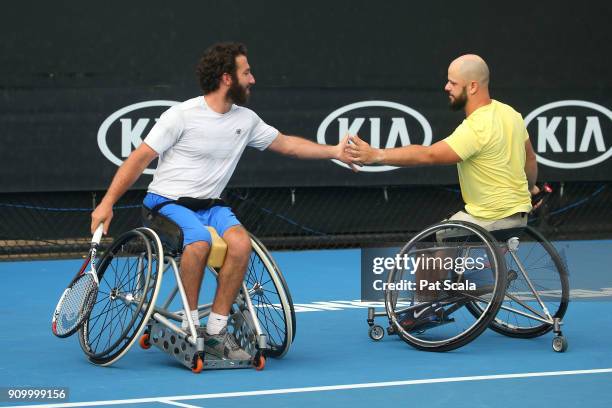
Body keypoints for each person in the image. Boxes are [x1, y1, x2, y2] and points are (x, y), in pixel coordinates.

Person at [91, 42, 351, 360]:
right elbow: (139, 158)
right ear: (227, 79)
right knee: (198, 242)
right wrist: (107, 203)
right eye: (247, 72)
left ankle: (215, 329)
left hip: (211, 206)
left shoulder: (247, 119)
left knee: (241, 244)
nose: (252, 79)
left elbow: (288, 145)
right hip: (165, 204)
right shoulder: (181, 116)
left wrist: (335, 151)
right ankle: (189, 324)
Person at [346, 54, 538, 325]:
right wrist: (528, 191)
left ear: (472, 86)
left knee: (429, 241)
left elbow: (429, 155)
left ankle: (423, 309)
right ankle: (483, 276)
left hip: (488, 220)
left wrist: (376, 155)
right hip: (518, 218)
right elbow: (530, 158)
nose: (446, 87)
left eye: (452, 82)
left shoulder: (476, 128)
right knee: (452, 230)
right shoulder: (511, 114)